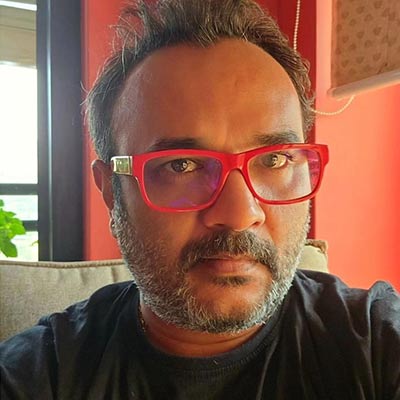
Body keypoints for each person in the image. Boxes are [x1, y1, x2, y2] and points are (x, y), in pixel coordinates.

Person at [1, 0, 399, 399]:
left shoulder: (375, 344)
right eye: (182, 165)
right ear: (111, 191)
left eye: (274, 159)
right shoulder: (42, 374)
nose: (240, 214)